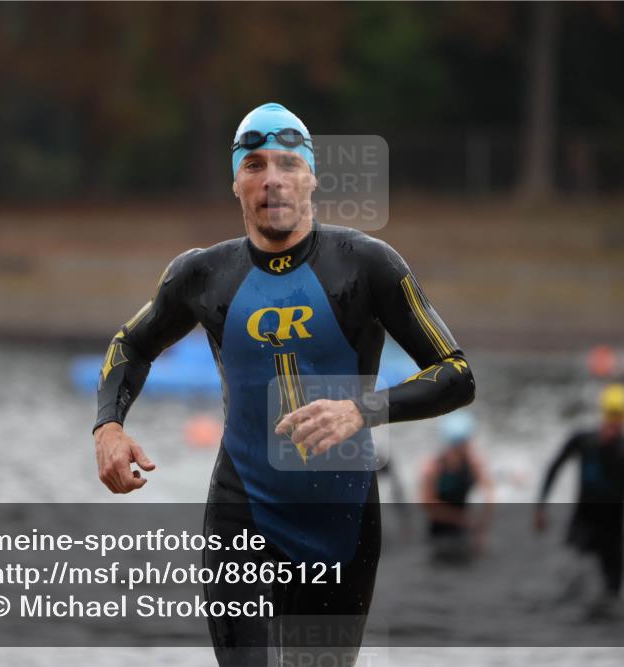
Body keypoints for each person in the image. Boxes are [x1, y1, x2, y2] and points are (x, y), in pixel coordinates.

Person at [92, 102, 476, 665]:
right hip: (241, 513)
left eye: (288, 164)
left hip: (340, 520)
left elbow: (457, 374)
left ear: (312, 178)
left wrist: (362, 409)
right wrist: (108, 426)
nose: (272, 179)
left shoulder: (367, 265)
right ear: (236, 183)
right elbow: (131, 344)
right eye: (254, 165)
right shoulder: (202, 274)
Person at [535, 383, 624, 605]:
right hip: (583, 525)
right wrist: (541, 506)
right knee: (569, 585)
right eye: (611, 416)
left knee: (612, 595)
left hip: (614, 531)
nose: (614, 423)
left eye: (618, 417)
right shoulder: (584, 441)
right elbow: (554, 467)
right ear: (602, 413)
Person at [420, 412, 494, 557]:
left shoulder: (474, 464)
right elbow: (428, 504)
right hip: (439, 530)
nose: (467, 447)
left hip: (464, 526)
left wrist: (482, 525)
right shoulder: (433, 468)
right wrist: (462, 520)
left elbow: (489, 493)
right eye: (463, 443)